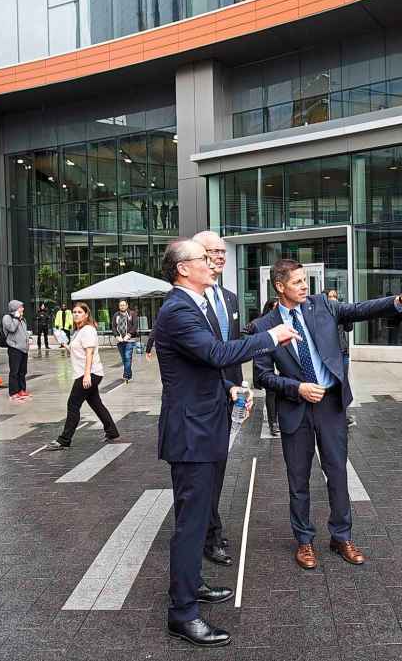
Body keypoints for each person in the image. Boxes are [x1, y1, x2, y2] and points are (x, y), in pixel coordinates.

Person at [153, 239, 299, 648]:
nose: (212, 264)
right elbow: (216, 352)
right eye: (204, 259)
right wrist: (270, 337)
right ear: (183, 269)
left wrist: (233, 390)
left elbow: (209, 365)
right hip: (191, 433)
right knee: (191, 523)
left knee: (198, 518)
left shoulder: (194, 305)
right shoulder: (178, 309)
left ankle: (191, 584)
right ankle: (182, 614)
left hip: (207, 423)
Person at [252, 259, 402, 570]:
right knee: (298, 480)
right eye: (297, 282)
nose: (304, 286)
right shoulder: (263, 326)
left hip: (330, 405)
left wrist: (399, 299)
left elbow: (360, 309)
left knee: (337, 473)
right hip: (295, 408)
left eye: (304, 280)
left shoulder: (322, 305)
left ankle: (341, 536)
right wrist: (296, 388)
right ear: (280, 287)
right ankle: (304, 542)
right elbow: (261, 377)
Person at [192, 230, 244, 568]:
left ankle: (209, 527)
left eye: (223, 252)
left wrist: (238, 388)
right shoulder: (188, 300)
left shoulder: (230, 298)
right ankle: (207, 534)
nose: (221, 257)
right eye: (213, 251)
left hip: (229, 395)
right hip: (200, 399)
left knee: (220, 467)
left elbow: (235, 349)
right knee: (203, 472)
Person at [46, 302, 120, 450]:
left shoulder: (87, 330)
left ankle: (64, 439)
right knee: (96, 403)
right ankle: (112, 431)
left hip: (88, 373)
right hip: (87, 373)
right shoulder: (78, 331)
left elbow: (89, 353)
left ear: (86, 315)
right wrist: (65, 344)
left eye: (80, 312)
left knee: (73, 404)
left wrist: (86, 375)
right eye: (74, 312)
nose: (76, 314)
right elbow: (77, 351)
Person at [243, 298, 279, 437]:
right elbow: (245, 333)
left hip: (281, 360)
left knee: (280, 391)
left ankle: (278, 419)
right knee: (271, 392)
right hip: (266, 361)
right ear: (268, 309)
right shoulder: (259, 324)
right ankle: (273, 423)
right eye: (274, 307)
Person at [326, 289, 357, 428]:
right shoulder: (323, 314)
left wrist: (347, 316)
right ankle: (333, 416)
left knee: (343, 385)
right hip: (331, 355)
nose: (334, 298)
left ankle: (342, 416)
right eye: (331, 296)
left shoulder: (340, 312)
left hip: (343, 352)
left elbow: (348, 328)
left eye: (335, 296)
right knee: (333, 386)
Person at [2, 300, 30, 402]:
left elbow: (23, 332)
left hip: (24, 349)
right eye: (21, 307)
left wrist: (28, 338)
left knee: (22, 371)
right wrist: (17, 318)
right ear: (15, 308)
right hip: (14, 348)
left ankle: (21, 390)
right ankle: (13, 392)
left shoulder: (22, 319)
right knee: (15, 371)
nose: (23, 309)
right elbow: (12, 328)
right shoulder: (7, 318)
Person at [113, 300, 137, 382]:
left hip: (129, 340)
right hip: (119, 340)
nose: (122, 307)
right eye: (120, 305)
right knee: (124, 359)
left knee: (127, 357)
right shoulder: (116, 315)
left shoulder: (132, 314)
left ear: (127, 306)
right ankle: (128, 374)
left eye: (123, 305)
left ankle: (126, 376)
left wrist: (129, 335)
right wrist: (116, 336)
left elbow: (135, 326)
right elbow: (113, 326)